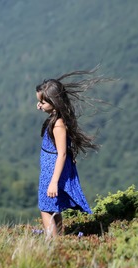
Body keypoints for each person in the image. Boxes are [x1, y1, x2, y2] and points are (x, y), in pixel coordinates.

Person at [35, 68, 110, 238]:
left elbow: (61, 153)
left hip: (52, 168)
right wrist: (41, 101)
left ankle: (52, 244)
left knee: (46, 208)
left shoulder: (58, 124)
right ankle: (59, 238)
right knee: (52, 205)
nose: (39, 106)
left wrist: (54, 181)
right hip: (50, 166)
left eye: (42, 103)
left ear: (54, 103)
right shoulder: (57, 116)